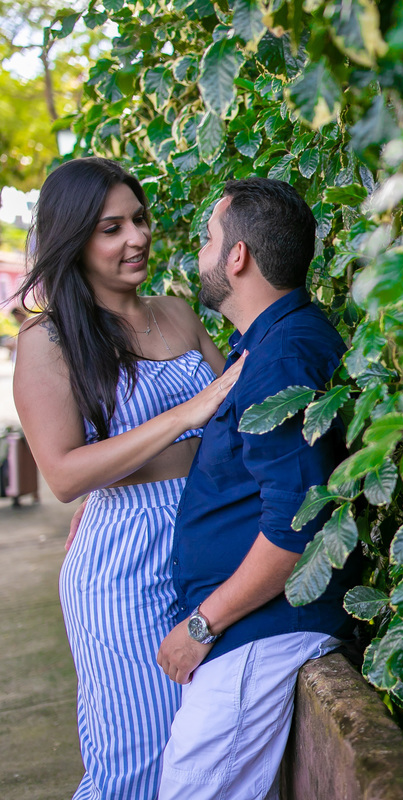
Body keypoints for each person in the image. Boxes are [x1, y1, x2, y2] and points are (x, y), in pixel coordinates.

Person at [11, 157, 244, 799]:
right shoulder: (49, 340)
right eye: (110, 228)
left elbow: (235, 422)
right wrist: (187, 413)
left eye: (138, 220)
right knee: (139, 760)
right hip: (123, 562)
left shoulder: (178, 313)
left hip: (206, 540)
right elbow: (61, 474)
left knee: (210, 757)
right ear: (74, 240)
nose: (137, 237)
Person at [154, 177, 355, 800]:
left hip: (259, 635)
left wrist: (204, 624)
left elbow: (300, 524)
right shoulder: (266, 344)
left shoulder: (283, 356)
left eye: (210, 239)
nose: (202, 254)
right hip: (252, 633)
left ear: (237, 257)